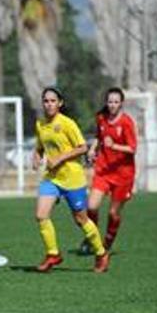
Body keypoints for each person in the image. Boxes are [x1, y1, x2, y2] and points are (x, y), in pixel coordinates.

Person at [32, 87, 110, 273]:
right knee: (41, 215)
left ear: (60, 103)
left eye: (52, 101)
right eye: (46, 101)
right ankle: (53, 254)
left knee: (80, 219)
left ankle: (101, 253)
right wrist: (36, 155)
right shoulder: (40, 124)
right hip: (52, 178)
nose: (49, 104)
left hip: (72, 178)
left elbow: (83, 147)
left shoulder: (67, 123)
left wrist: (60, 158)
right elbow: (40, 146)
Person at [79, 87, 137, 255]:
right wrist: (92, 149)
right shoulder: (101, 118)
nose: (112, 105)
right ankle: (93, 238)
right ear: (106, 102)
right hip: (103, 170)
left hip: (123, 175)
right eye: (110, 101)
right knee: (91, 206)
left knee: (113, 213)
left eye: (116, 102)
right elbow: (99, 136)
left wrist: (115, 146)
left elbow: (132, 148)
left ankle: (108, 241)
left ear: (121, 103)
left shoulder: (126, 122)